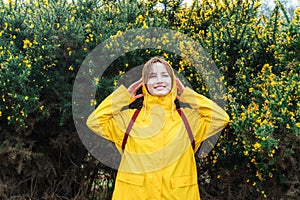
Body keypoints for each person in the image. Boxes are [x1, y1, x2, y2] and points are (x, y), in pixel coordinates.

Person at [86, 56, 230, 200]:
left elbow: (221, 118)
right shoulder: (129, 120)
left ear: (173, 82)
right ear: (144, 84)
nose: (159, 80)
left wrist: (189, 96)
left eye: (165, 75)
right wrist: (122, 97)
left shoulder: (188, 120)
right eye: (152, 76)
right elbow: (94, 121)